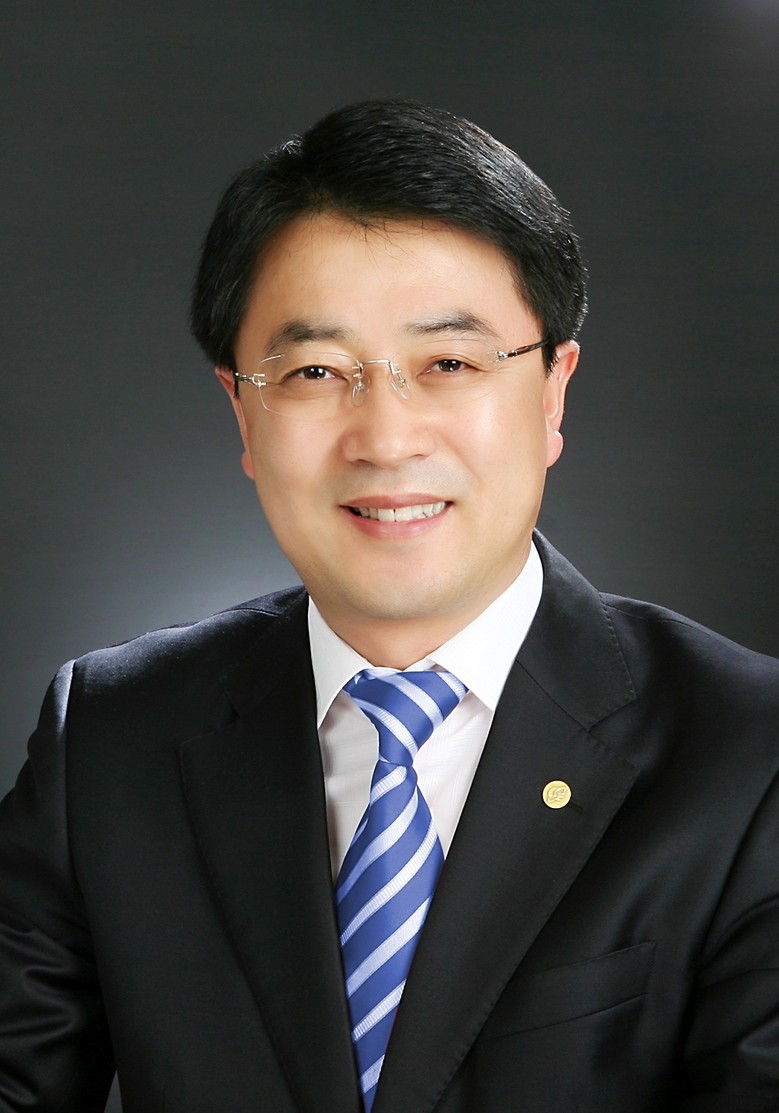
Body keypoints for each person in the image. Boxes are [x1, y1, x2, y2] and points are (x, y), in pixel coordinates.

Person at [0, 98, 777, 1113]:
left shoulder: (746, 755)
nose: (385, 438)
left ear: (551, 391)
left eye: (447, 364)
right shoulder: (113, 736)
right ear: (241, 411)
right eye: (315, 371)